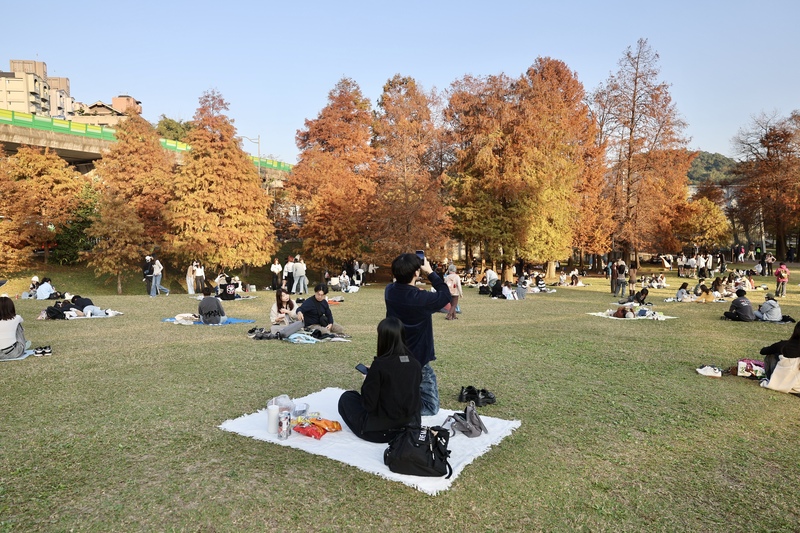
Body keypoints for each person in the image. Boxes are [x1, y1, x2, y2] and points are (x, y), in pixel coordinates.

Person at [384, 253, 451, 417]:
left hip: (395, 350)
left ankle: (397, 397)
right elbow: (445, 296)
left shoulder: (390, 291)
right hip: (417, 356)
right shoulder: (421, 299)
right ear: (416, 273)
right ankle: (399, 407)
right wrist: (431, 272)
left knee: (404, 380)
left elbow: (405, 292)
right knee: (430, 406)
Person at [337, 317, 421, 443]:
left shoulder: (380, 365)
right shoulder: (415, 364)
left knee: (347, 398)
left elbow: (368, 404)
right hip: (410, 425)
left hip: (381, 432)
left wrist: (368, 380)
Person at [759, 322, 800, 388]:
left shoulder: (784, 345)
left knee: (771, 355)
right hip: (798, 386)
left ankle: (772, 377)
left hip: (783, 381)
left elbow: (763, 351)